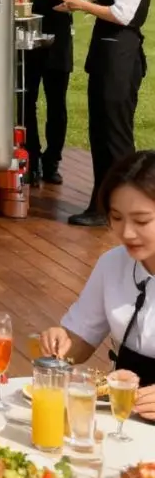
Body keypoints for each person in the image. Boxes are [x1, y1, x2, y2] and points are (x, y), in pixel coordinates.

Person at [54, 0, 154, 227]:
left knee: (115, 135)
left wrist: (79, 6)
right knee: (100, 131)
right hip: (106, 56)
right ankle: (103, 205)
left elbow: (123, 13)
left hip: (120, 57)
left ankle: (127, 208)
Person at [40, 151, 155, 401]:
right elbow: (80, 338)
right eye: (116, 218)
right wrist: (62, 345)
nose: (127, 233)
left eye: (142, 221)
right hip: (123, 412)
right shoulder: (112, 264)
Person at [14, 0, 93, 185]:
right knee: (27, 98)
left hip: (60, 27)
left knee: (57, 101)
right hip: (28, 24)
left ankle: (53, 162)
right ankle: (30, 159)